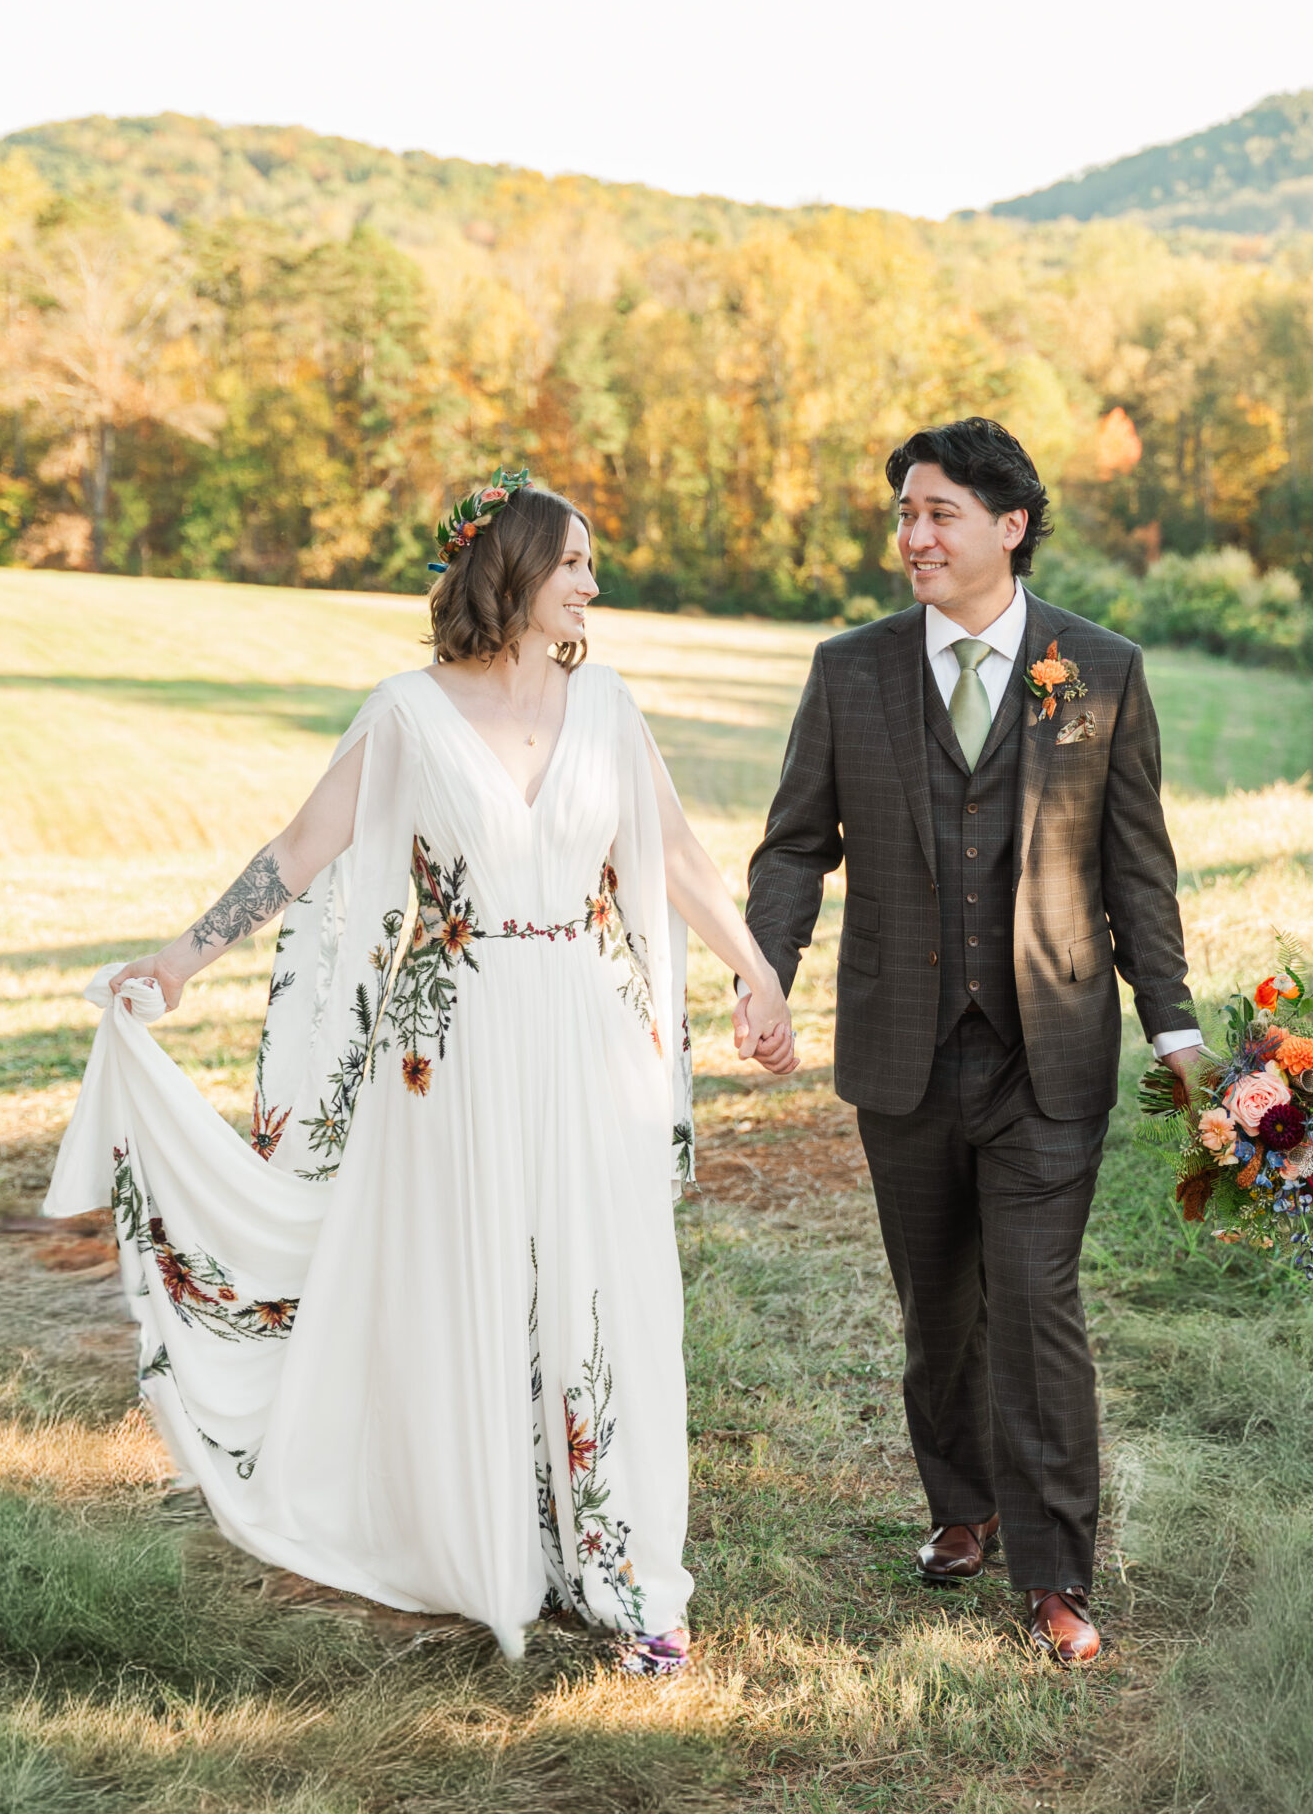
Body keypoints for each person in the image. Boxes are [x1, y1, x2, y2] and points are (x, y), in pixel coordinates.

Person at [46, 475, 796, 1672]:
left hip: (588, 1034)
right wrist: (183, 961)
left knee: (603, 1283)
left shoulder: (606, 704)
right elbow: (299, 852)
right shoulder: (405, 713)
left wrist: (755, 971)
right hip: (450, 1044)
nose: (592, 584)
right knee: (476, 1278)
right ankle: (485, 1539)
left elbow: (680, 861)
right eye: (572, 562)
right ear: (511, 571)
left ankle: (621, 1560)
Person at [741, 417, 1200, 1664]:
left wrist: (1175, 1031)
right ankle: (963, 1507)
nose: (913, 535)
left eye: (937, 512)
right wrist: (763, 972)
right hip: (900, 1043)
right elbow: (793, 842)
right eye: (902, 513)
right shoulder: (851, 670)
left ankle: (1056, 1574)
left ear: (1009, 525)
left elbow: (1135, 870)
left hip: (1047, 1050)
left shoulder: (1098, 669)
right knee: (936, 1308)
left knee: (1037, 1304)